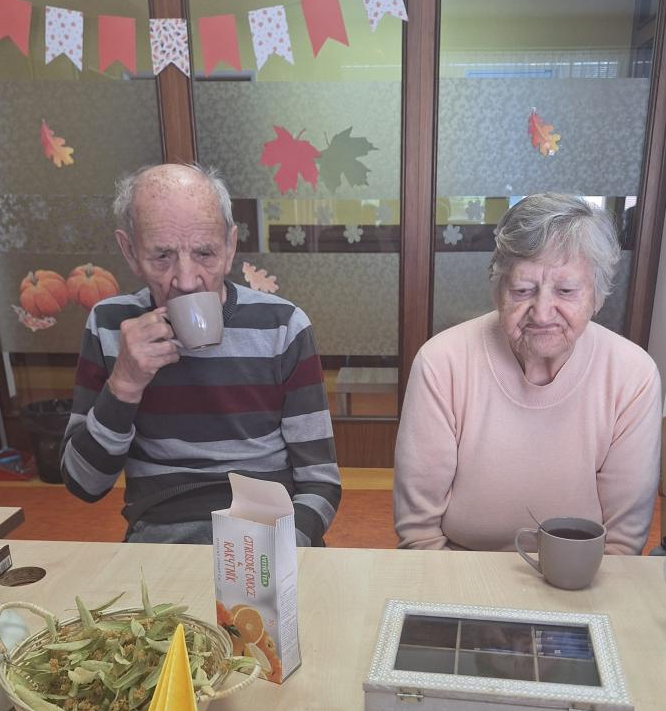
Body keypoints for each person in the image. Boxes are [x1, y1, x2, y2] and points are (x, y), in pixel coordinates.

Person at [61, 162, 341, 546]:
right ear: (130, 252)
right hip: (161, 530)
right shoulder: (110, 325)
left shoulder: (283, 326)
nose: (187, 280)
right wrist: (124, 384)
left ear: (230, 247)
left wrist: (284, 548)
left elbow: (320, 480)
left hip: (271, 529)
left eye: (205, 253)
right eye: (162, 256)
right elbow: (84, 484)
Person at [394, 192, 661, 554]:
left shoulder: (633, 376)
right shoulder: (442, 362)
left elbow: (621, 544)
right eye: (522, 290)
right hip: (456, 565)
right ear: (498, 292)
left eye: (566, 290)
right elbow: (420, 534)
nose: (542, 312)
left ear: (596, 296)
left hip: (584, 573)